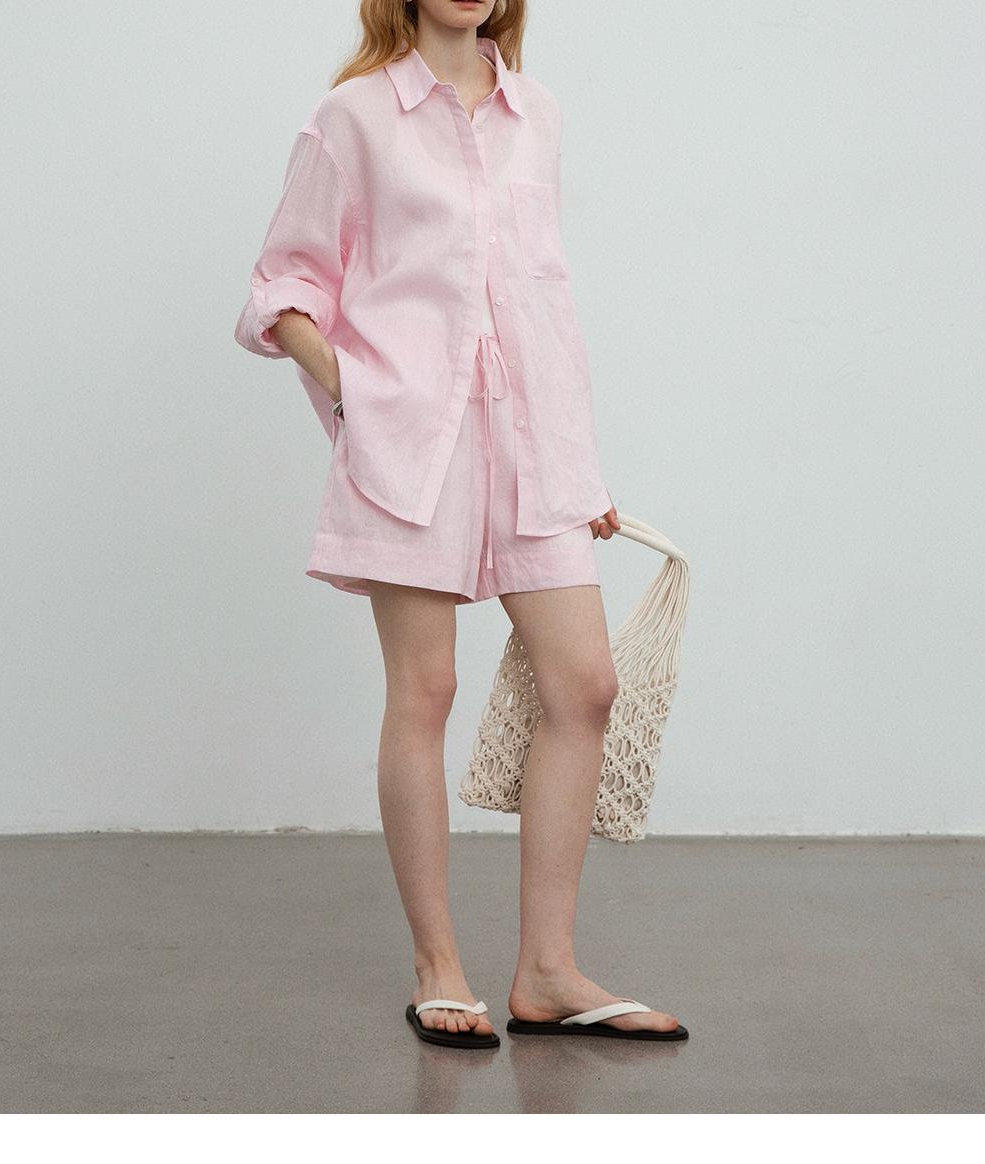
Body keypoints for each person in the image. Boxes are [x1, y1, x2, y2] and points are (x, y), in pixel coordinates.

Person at [235, 0, 687, 1047]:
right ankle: (437, 964)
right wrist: (356, 390)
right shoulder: (353, 117)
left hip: (534, 444)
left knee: (585, 685)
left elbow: (542, 298)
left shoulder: (539, 114)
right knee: (425, 688)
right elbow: (282, 282)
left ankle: (547, 972)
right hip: (412, 442)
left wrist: (576, 458)